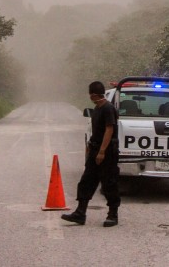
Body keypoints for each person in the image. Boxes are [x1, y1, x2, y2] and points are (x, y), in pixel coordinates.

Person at [61, 81, 121, 227]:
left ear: (93, 95)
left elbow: (109, 129)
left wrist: (102, 151)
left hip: (106, 152)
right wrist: (90, 150)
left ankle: (113, 215)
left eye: (90, 94)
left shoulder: (108, 108)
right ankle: (80, 213)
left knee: (109, 183)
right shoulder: (97, 108)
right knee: (86, 181)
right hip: (95, 150)